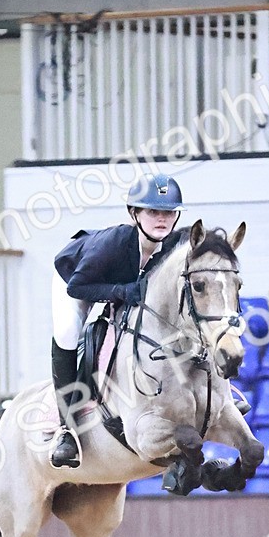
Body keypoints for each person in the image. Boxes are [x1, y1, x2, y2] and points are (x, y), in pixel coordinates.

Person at [49, 173, 183, 468]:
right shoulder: (114, 242)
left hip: (116, 287)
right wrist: (120, 291)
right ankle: (67, 431)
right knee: (69, 331)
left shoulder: (173, 245)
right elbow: (77, 287)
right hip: (75, 280)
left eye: (169, 212)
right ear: (134, 213)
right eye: (153, 211)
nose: (162, 219)